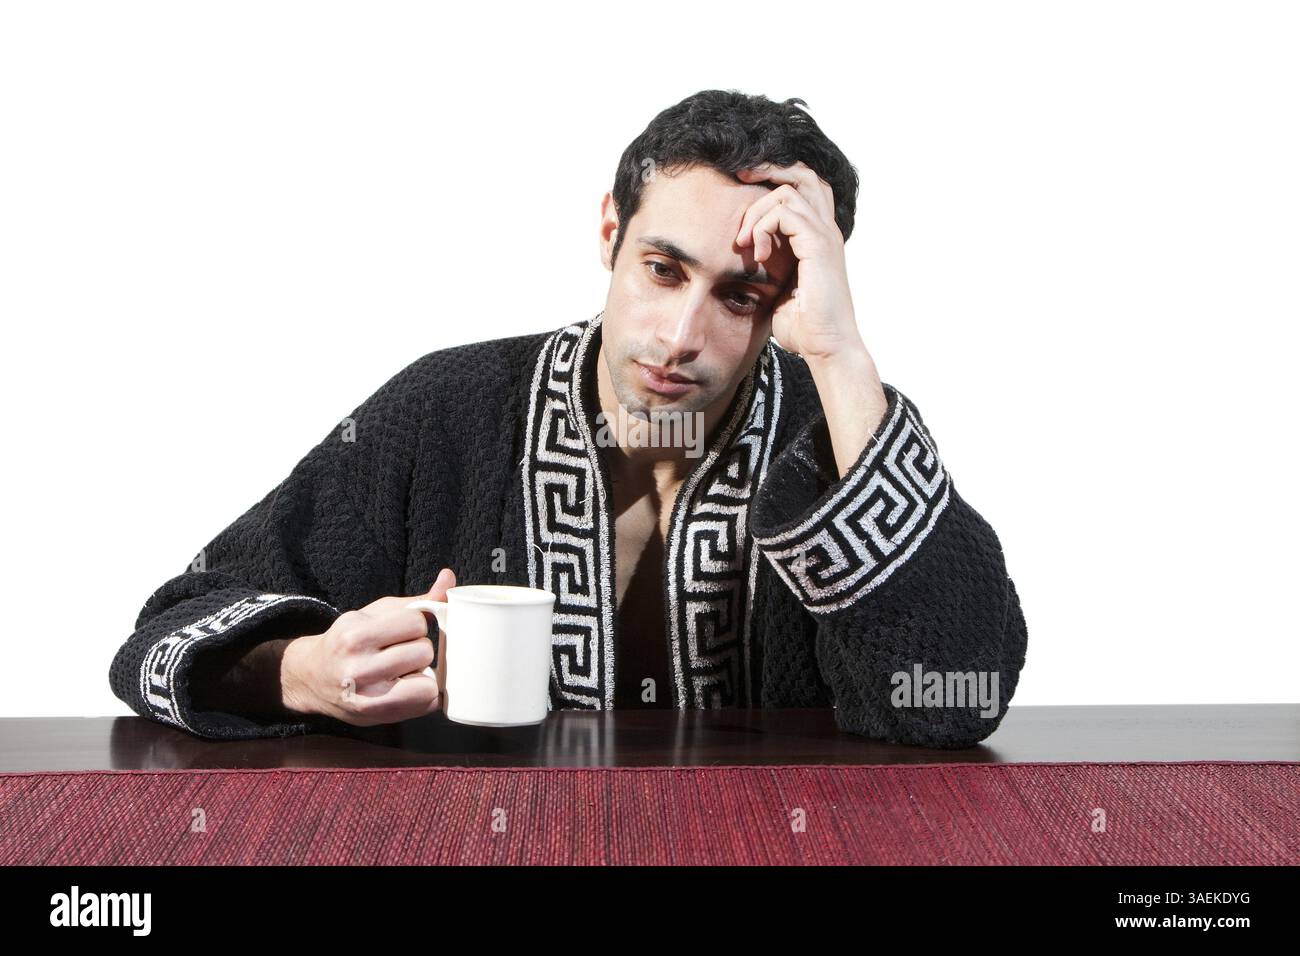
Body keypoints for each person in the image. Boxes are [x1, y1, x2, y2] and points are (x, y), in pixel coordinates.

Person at [109, 89, 1028, 747]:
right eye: (662, 270)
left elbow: (951, 704)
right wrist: (300, 672)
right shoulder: (451, 409)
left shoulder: (838, 430)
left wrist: (841, 356)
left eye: (742, 297)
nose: (679, 337)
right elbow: (161, 641)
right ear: (608, 234)